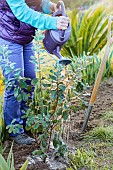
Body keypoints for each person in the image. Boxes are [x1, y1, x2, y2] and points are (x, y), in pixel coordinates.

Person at [0, 0, 70, 145]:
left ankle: (27, 123)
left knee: (30, 80)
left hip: (27, 38)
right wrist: (52, 22)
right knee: (15, 82)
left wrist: (50, 7)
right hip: (8, 37)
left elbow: (36, 1)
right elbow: (22, 12)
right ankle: (15, 130)